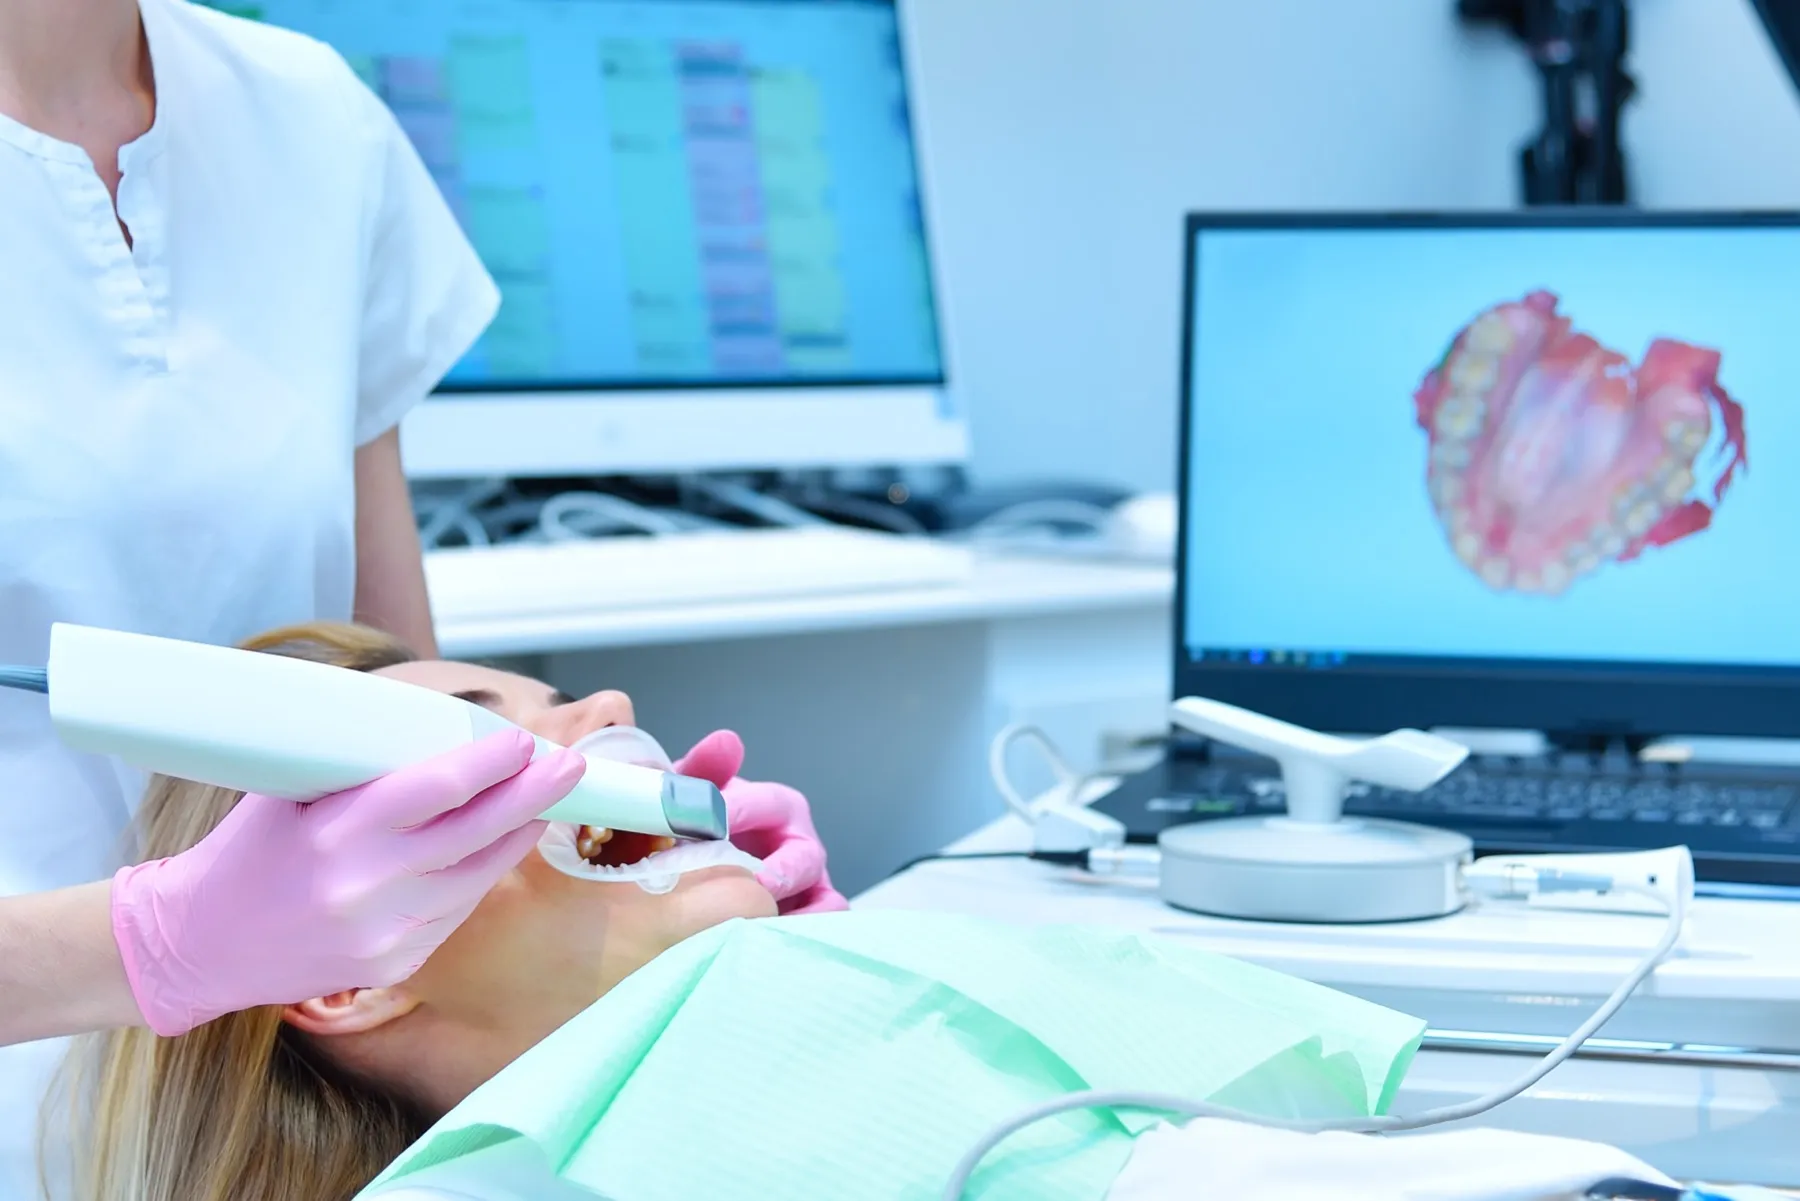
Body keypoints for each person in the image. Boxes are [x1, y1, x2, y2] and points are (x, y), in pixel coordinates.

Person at [0, 0, 839, 1194]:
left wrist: (642, 861)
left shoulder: (308, 117)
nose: (604, 706)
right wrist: (156, 943)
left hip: (311, 1117)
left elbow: (400, 680)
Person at [58, 623, 1693, 1201]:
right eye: (485, 730)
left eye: (556, 697)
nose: (605, 709)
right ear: (337, 969)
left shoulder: (866, 976)